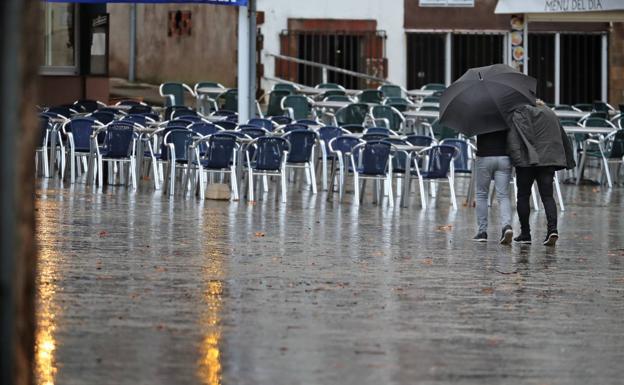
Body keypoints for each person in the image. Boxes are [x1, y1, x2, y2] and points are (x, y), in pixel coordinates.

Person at [507, 101, 575, 246]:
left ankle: (525, 234)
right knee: (548, 196)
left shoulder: (521, 112)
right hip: (548, 160)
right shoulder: (550, 112)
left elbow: (514, 137)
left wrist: (515, 159)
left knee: (523, 196)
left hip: (527, 161)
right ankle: (552, 230)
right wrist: (566, 158)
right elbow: (561, 134)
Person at [472, 129, 514, 244]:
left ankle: (482, 232)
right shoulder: (505, 114)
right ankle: (506, 226)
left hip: (484, 156)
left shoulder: (479, 114)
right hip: (504, 157)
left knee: (481, 195)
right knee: (503, 195)